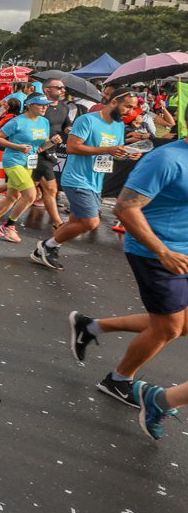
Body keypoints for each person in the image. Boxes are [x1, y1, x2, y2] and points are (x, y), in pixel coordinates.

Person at [67, 133, 188, 405]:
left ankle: (91, 327)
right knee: (168, 328)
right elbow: (126, 207)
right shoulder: (166, 159)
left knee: (182, 324)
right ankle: (118, 380)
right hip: (157, 253)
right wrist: (162, 251)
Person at [31, 90, 138, 270]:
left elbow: (114, 151)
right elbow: (72, 147)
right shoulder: (87, 120)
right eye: (128, 106)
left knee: (75, 222)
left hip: (95, 181)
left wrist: (127, 154)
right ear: (114, 102)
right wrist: (108, 150)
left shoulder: (118, 126)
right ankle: (47, 246)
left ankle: (48, 248)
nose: (131, 111)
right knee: (91, 222)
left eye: (133, 108)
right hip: (76, 178)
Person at [0, 94, 52, 242]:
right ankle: (9, 226)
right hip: (13, 161)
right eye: (41, 104)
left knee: (13, 196)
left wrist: (51, 142)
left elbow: (40, 148)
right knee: (31, 195)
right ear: (30, 105)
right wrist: (17, 146)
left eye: (46, 104)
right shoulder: (17, 121)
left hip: (29, 163)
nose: (45, 107)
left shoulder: (44, 122)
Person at [31, 78, 76, 229]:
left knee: (26, 187)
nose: (63, 90)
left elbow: (65, 125)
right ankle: (58, 223)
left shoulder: (64, 107)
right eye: (59, 87)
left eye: (64, 87)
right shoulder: (40, 107)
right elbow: (31, 125)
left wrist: (69, 129)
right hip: (38, 150)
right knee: (51, 189)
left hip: (51, 150)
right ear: (47, 90)